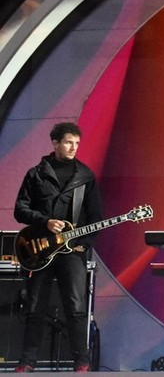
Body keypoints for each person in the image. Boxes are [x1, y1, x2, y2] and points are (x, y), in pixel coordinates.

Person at [13, 121, 101, 373]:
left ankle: (81, 362)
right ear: (55, 143)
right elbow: (20, 209)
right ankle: (27, 361)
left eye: (76, 143)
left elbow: (95, 217)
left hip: (71, 251)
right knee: (35, 307)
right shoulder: (36, 174)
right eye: (68, 142)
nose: (73, 147)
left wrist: (84, 244)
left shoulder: (85, 177)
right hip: (39, 249)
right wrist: (45, 222)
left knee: (76, 307)